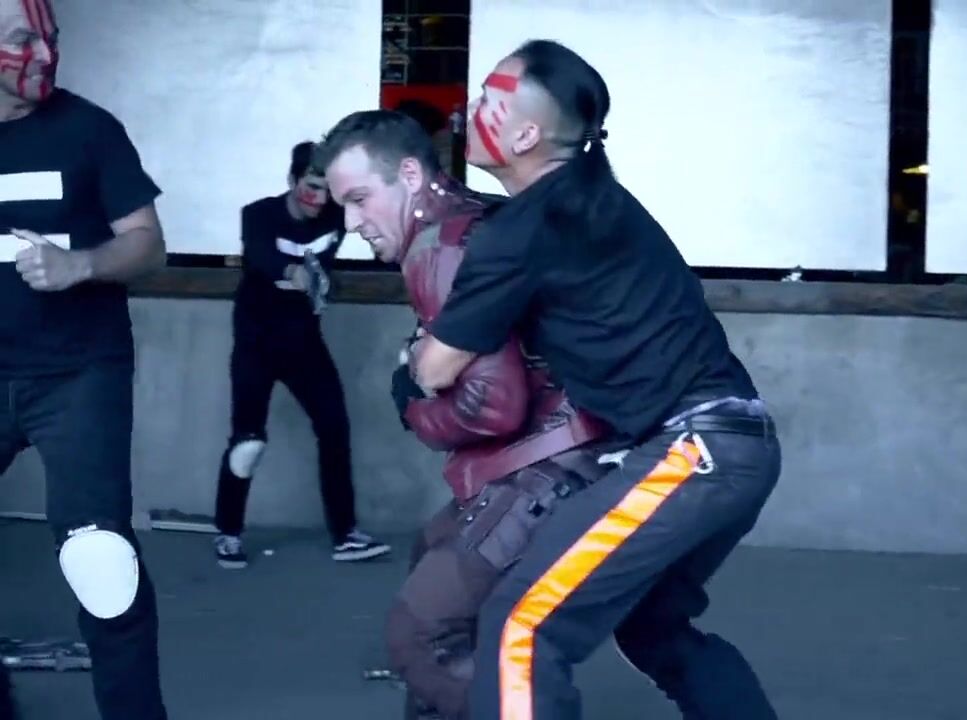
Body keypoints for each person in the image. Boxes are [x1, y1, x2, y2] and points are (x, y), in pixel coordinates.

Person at [334, 40, 783, 719]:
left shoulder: (522, 229)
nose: (468, 110)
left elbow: (438, 368)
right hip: (736, 444)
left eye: (488, 101)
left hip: (696, 452)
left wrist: (410, 369)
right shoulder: (587, 199)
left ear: (525, 136)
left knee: (521, 629)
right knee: (651, 627)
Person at [315, 109, 614, 719]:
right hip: (568, 454)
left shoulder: (440, 248)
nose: (350, 223)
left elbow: (492, 409)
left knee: (421, 635)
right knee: (433, 557)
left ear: (409, 175)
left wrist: (413, 405)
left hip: (550, 463)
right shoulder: (477, 220)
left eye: (360, 199)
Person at [0, 0, 169, 717]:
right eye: (21, 38)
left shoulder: (88, 129)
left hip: (78, 376)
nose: (42, 52)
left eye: (50, 37)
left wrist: (80, 266)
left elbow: (148, 245)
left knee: (100, 559)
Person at [210, 141, 390, 568]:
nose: (320, 199)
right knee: (247, 441)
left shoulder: (336, 217)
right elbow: (261, 255)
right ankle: (229, 533)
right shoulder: (259, 214)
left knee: (334, 429)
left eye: (328, 189)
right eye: (312, 187)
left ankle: (345, 534)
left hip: (304, 341)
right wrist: (295, 272)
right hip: (256, 340)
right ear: (292, 181)